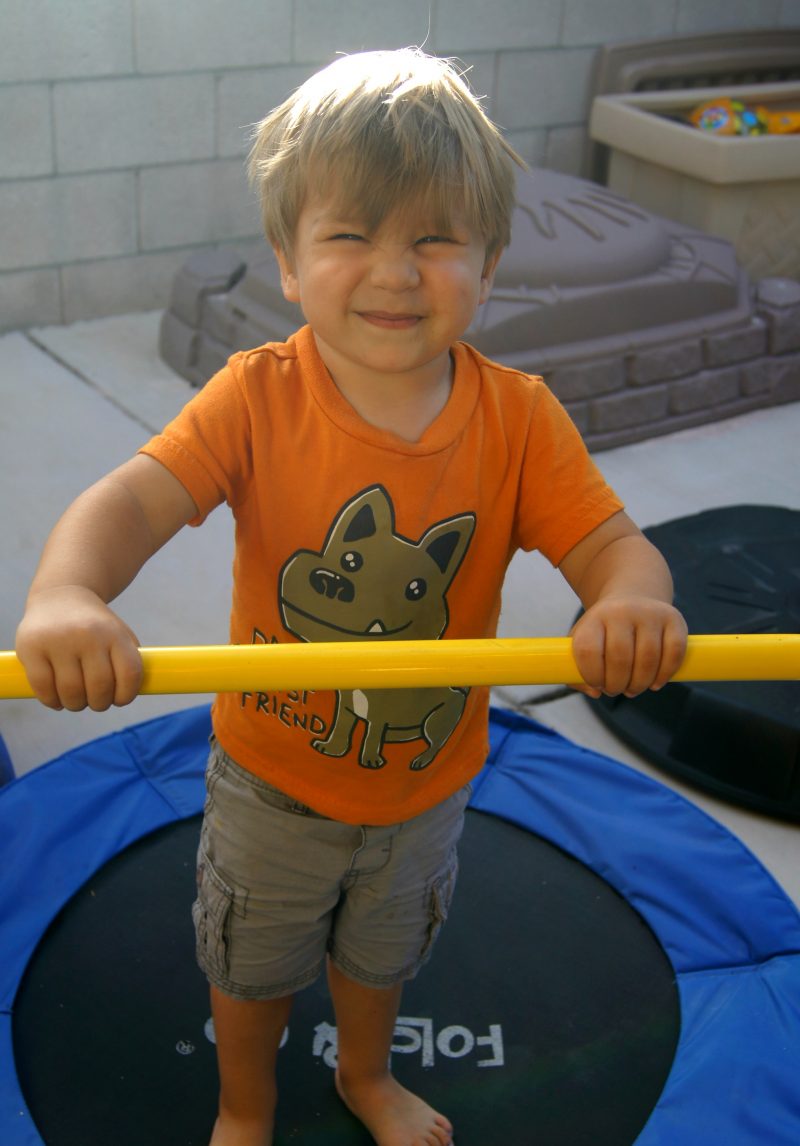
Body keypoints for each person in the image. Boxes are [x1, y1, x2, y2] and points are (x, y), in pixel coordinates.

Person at [15, 49, 687, 1146]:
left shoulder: (519, 422)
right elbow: (132, 503)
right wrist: (68, 593)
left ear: (488, 260)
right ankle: (244, 1105)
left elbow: (613, 547)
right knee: (249, 964)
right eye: (348, 235)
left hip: (423, 789)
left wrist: (626, 601)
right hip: (272, 785)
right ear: (286, 260)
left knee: (383, 959)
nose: (394, 271)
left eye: (433, 237)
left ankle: (364, 1077)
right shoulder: (253, 398)